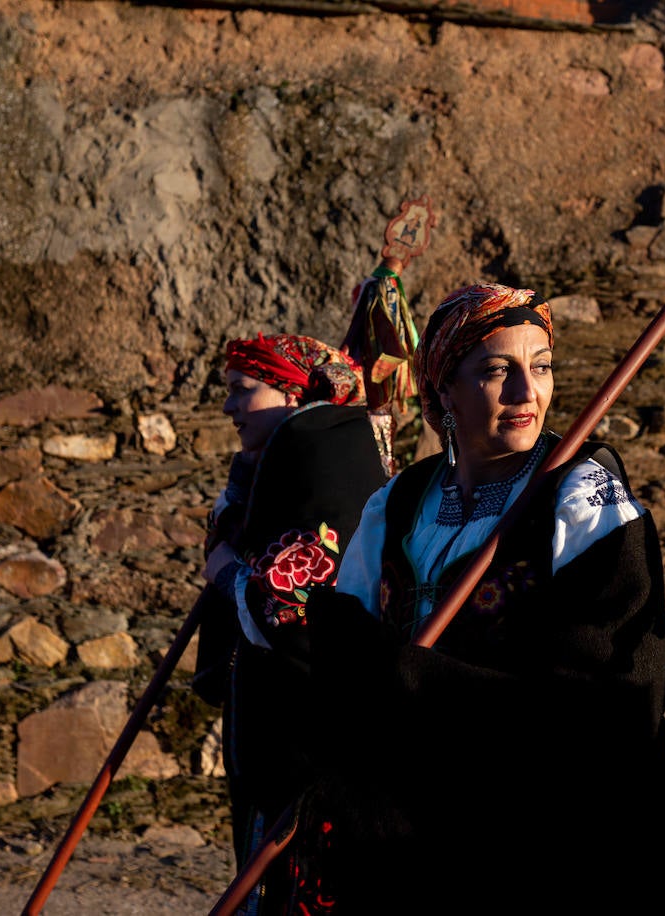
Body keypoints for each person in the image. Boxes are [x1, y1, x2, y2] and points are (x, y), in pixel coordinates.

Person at [297, 283, 665, 914]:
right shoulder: (398, 502)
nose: (525, 392)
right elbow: (347, 642)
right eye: (497, 370)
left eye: (540, 367)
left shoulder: (588, 501)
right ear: (445, 388)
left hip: (538, 836)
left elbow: (614, 700)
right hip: (403, 824)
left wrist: (411, 680)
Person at [192, 332, 388, 911]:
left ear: (290, 391)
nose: (228, 407)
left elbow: (297, 603)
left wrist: (226, 571)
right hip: (274, 731)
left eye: (242, 390)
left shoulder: (320, 445)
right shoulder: (287, 448)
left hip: (308, 731)